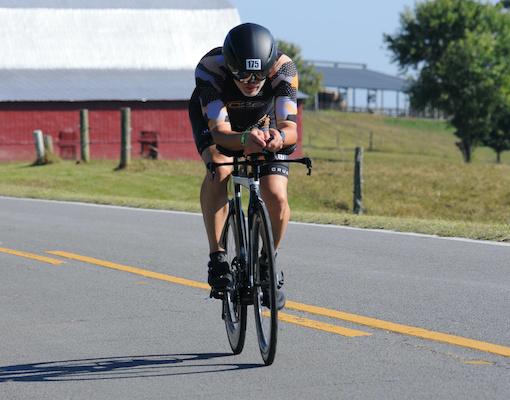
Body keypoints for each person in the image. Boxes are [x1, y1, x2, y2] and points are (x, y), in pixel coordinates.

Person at [188, 23, 299, 310]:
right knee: (220, 168)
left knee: (275, 194)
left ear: (270, 65)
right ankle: (218, 257)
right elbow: (220, 133)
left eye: (259, 75)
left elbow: (290, 128)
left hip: (264, 122)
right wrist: (242, 139)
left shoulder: (284, 69)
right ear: (229, 66)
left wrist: (279, 137)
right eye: (243, 75)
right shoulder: (210, 69)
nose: (251, 81)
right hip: (221, 125)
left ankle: (267, 261)